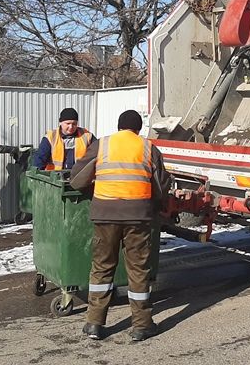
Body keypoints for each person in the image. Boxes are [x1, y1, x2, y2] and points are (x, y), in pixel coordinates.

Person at [70, 110, 170, 342]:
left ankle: (94, 323)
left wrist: (94, 192)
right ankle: (142, 325)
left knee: (103, 267)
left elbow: (76, 179)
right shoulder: (148, 148)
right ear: (138, 129)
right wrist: (153, 206)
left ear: (119, 127)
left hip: (105, 215)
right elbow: (161, 187)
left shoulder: (102, 145)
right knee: (138, 269)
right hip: (138, 217)